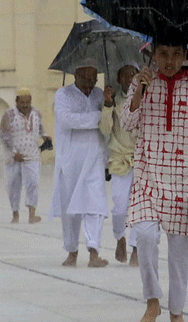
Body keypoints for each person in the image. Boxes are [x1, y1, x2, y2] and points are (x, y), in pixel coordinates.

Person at [120, 42, 188, 322]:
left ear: (185, 55)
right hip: (148, 174)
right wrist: (140, 88)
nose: (170, 60)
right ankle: (152, 300)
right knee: (144, 235)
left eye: (177, 54)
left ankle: (176, 312)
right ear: (153, 53)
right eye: (163, 53)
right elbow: (127, 122)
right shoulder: (141, 81)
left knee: (179, 253)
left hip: (185, 179)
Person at [50, 60, 110, 268]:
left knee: (96, 204)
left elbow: (109, 121)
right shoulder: (63, 94)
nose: (90, 83)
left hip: (94, 158)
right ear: (75, 75)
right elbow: (67, 120)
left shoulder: (100, 95)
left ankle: (94, 252)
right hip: (70, 162)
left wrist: (107, 106)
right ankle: (72, 252)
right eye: (86, 78)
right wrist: (97, 118)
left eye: (94, 78)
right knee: (70, 210)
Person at [99, 63, 140, 265]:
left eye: (134, 75)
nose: (131, 78)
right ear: (118, 80)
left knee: (140, 209)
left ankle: (136, 248)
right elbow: (105, 130)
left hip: (142, 160)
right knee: (119, 209)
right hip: (119, 159)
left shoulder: (146, 99)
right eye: (126, 76)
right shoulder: (113, 101)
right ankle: (120, 238)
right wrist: (107, 105)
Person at [0, 87, 51, 224]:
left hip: (32, 155)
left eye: (27, 102)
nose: (25, 105)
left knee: (33, 183)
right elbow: (4, 136)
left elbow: (40, 130)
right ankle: (15, 214)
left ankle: (32, 214)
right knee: (13, 186)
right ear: (16, 101)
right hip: (14, 157)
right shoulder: (9, 114)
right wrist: (14, 153)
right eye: (22, 102)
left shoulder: (36, 113)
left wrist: (45, 137)